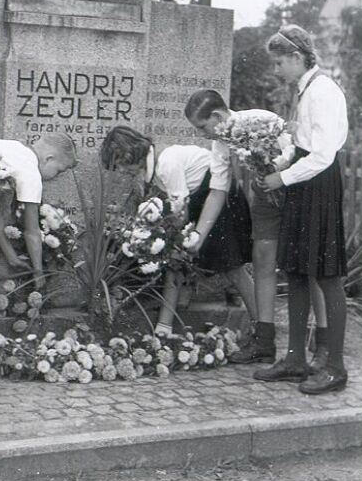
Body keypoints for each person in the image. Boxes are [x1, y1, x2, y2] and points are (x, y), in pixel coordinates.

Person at [184, 89, 327, 366]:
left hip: (295, 190)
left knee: (309, 267)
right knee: (262, 261)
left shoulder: (260, 118)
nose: (202, 134)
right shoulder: (221, 144)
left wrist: (277, 169)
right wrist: (198, 237)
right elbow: (217, 192)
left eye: (203, 126)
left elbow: (294, 151)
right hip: (264, 196)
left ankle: (323, 342)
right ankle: (264, 341)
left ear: (216, 115)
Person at [256, 25, 349, 395]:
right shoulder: (306, 88)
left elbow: (324, 154)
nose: (277, 70)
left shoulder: (323, 91)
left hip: (319, 184)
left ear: (297, 58)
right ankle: (295, 359)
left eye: (280, 62)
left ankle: (336, 368)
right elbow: (302, 145)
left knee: (327, 276)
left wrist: (285, 179)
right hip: (304, 180)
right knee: (295, 271)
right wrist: (279, 165)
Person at [100, 126, 256, 336]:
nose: (120, 171)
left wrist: (164, 237)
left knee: (232, 268)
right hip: (198, 197)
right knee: (176, 259)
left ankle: (261, 327)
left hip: (219, 197)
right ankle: (164, 328)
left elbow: (179, 212)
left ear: (129, 154)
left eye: (118, 164)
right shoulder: (152, 167)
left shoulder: (166, 163)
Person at [0, 133, 78, 288]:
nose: (56, 176)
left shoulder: (15, 149)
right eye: (59, 171)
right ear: (49, 159)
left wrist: (11, 257)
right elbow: (32, 231)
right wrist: (38, 273)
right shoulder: (31, 173)